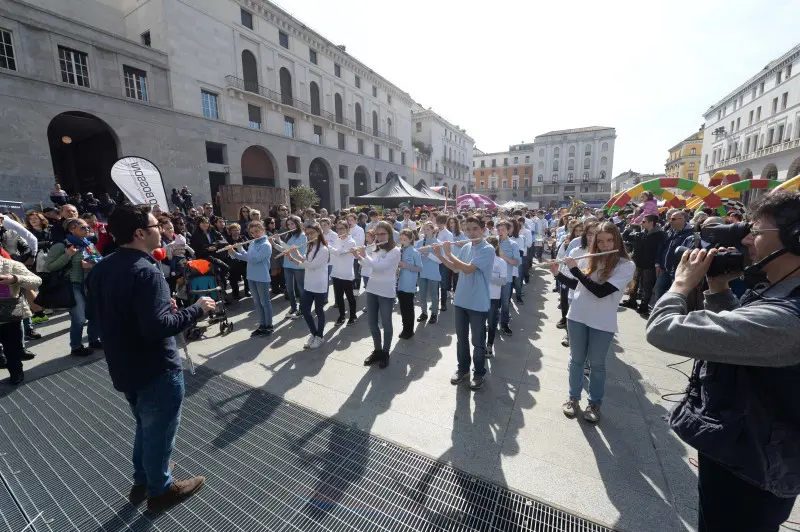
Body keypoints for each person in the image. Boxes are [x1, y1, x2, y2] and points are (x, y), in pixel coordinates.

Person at [645, 191, 800, 531]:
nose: (746, 239)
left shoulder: (788, 318)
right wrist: (717, 290)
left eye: (756, 231)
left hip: (753, 470)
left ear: (795, 237)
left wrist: (680, 285)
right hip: (744, 449)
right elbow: (741, 345)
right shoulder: (781, 294)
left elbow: (663, 330)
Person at [89, 204, 215, 512]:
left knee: (145, 426)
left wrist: (156, 306)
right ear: (140, 233)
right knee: (159, 432)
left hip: (123, 365)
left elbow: (107, 314)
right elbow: (157, 328)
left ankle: (142, 481)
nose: (163, 229)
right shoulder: (147, 272)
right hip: (155, 369)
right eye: (156, 224)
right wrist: (197, 309)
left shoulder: (103, 267)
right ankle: (161, 490)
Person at [551, 222, 634, 423]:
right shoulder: (588, 259)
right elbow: (578, 286)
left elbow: (600, 292)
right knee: (576, 360)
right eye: (600, 241)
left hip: (602, 322)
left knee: (596, 365)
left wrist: (575, 270)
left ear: (617, 240)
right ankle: (573, 398)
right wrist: (558, 273)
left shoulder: (625, 265)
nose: (605, 245)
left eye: (609, 240)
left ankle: (594, 403)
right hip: (577, 316)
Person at [436, 216, 494, 390]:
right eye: (468, 229)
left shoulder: (488, 249)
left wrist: (449, 253)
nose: (471, 233)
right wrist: (440, 255)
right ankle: (463, 369)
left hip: (477, 302)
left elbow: (468, 269)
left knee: (477, 341)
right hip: (461, 299)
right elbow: (455, 268)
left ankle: (479, 372)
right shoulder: (467, 246)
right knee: (461, 339)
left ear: (483, 229)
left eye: (475, 228)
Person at [46, 218, 103, 356]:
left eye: (88, 227)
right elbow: (50, 266)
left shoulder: (88, 244)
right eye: (84, 227)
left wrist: (92, 264)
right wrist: (67, 255)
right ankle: (76, 346)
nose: (88, 229)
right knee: (79, 318)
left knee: (95, 313)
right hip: (72, 284)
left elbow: (100, 258)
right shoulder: (62, 245)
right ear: (72, 229)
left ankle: (94, 340)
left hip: (89, 284)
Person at [356, 222, 399, 368]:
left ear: (389, 234)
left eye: (383, 234)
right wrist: (358, 256)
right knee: (372, 323)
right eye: (378, 234)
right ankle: (377, 350)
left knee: (386, 323)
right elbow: (368, 265)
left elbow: (380, 267)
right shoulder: (376, 248)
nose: (380, 237)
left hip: (386, 291)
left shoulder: (395, 251)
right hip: (372, 288)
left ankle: (385, 353)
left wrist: (364, 256)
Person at [286, 222, 329, 349]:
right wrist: (295, 255)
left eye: (312, 233)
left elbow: (310, 265)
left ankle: (320, 336)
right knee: (305, 310)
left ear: (319, 232)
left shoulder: (324, 249)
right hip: (309, 283)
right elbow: (306, 260)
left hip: (319, 284)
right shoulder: (310, 246)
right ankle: (314, 333)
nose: (309, 236)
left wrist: (294, 258)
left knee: (319, 310)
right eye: (308, 234)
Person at [0, 254, 41, 385]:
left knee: (12, 349)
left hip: (9, 316)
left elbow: (36, 281)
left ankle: (16, 372)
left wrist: (14, 279)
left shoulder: (11, 264)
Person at [226, 220, 273, 336]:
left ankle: (269, 326)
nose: (254, 234)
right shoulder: (253, 243)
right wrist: (237, 251)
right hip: (251, 276)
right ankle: (262, 325)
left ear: (262, 230)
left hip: (262, 277)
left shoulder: (266, 245)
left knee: (265, 303)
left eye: (257, 231)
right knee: (257, 302)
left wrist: (237, 252)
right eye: (252, 233)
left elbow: (254, 259)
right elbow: (248, 255)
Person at [622, 214, 665, 318]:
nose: (641, 223)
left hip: (649, 265)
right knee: (634, 283)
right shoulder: (641, 233)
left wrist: (657, 263)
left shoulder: (660, 235)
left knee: (647, 286)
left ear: (651, 222)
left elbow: (661, 250)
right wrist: (627, 230)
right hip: (637, 263)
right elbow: (626, 237)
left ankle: (644, 306)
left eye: (644, 221)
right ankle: (632, 301)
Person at [654, 210, 693, 300]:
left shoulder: (690, 235)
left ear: (683, 219)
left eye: (673, 219)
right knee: (659, 292)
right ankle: (658, 313)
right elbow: (662, 247)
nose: (670, 221)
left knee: (674, 298)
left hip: (678, 273)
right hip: (665, 270)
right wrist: (658, 263)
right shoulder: (670, 231)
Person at [274, 215, 306, 318]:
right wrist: (273, 243)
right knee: (289, 288)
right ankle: (293, 307)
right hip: (287, 265)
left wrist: (279, 240)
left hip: (298, 265)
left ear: (298, 224)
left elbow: (292, 248)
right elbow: (284, 250)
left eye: (292, 224)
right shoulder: (290, 235)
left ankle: (302, 308)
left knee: (301, 288)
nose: (290, 226)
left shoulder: (302, 236)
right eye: (288, 224)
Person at [329, 220, 358, 326]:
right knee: (339, 297)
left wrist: (328, 246)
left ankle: (353, 316)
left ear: (347, 229)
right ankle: (341, 316)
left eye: (341, 228)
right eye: (337, 228)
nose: (339, 231)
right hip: (336, 272)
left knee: (350, 297)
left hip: (346, 274)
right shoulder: (337, 240)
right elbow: (335, 254)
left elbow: (339, 253)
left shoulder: (351, 242)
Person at [397, 228, 422, 339]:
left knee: (408, 308)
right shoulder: (400, 250)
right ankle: (404, 328)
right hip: (400, 283)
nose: (402, 241)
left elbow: (420, 268)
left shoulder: (414, 251)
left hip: (409, 284)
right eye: (401, 239)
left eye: (405, 239)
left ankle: (409, 330)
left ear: (411, 239)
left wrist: (406, 266)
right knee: (402, 307)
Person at [496, 221, 520, 336]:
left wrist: (503, 257)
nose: (500, 232)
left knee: (505, 303)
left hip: (506, 278)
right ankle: (492, 322)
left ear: (508, 231)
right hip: (493, 278)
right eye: (499, 230)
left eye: (503, 230)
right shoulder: (493, 242)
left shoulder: (513, 244)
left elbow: (516, 262)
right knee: (493, 302)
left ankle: (504, 324)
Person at [485, 236, 508, 358]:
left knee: (492, 323)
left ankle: (489, 345)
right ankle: (480, 345)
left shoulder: (501, 262)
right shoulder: (480, 260)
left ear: (496, 247)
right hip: (480, 296)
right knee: (480, 324)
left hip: (493, 297)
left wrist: (490, 277)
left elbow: (503, 281)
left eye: (490, 246)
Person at [415, 222, 442, 325]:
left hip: (433, 273)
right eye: (424, 229)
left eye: (428, 229)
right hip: (422, 272)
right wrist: (418, 254)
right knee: (422, 294)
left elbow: (440, 260)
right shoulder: (420, 242)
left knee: (434, 295)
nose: (426, 232)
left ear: (433, 230)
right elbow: (415, 256)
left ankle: (434, 314)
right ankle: (424, 312)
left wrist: (428, 254)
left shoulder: (437, 243)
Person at [224, 223, 249, 300]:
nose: (236, 232)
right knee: (233, 279)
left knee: (246, 278)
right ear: (230, 231)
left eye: (237, 230)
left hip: (244, 262)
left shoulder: (243, 238)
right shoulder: (227, 240)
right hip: (233, 263)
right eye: (234, 230)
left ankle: (247, 291)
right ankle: (235, 293)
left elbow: (248, 248)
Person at [435, 214, 453, 311]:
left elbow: (450, 249)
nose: (439, 225)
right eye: (438, 222)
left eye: (441, 223)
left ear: (444, 223)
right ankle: (435, 303)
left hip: (444, 261)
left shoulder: (448, 234)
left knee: (443, 283)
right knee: (435, 283)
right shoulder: (435, 232)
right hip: (435, 260)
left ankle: (443, 303)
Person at [347, 213, 365, 290]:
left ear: (356, 220)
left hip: (356, 254)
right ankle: (351, 288)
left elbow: (361, 242)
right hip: (347, 255)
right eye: (348, 220)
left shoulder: (360, 229)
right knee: (349, 273)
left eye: (352, 220)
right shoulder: (347, 229)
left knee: (356, 272)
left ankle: (356, 288)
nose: (350, 222)